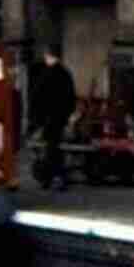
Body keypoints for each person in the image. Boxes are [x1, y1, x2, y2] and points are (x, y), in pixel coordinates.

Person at [30, 44, 77, 190]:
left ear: (48, 56)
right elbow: (71, 97)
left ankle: (50, 177)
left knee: (49, 149)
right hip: (60, 117)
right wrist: (68, 114)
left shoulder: (44, 74)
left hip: (47, 118)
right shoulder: (65, 73)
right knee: (55, 147)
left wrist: (36, 118)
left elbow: (37, 97)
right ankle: (57, 177)